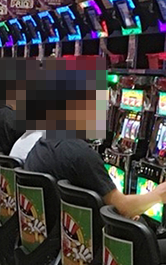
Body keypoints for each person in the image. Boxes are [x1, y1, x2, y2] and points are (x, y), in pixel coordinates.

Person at [23, 70, 166, 219]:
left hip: (51, 226)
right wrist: (158, 195)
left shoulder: (44, 143)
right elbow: (123, 209)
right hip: (72, 228)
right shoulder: (80, 154)